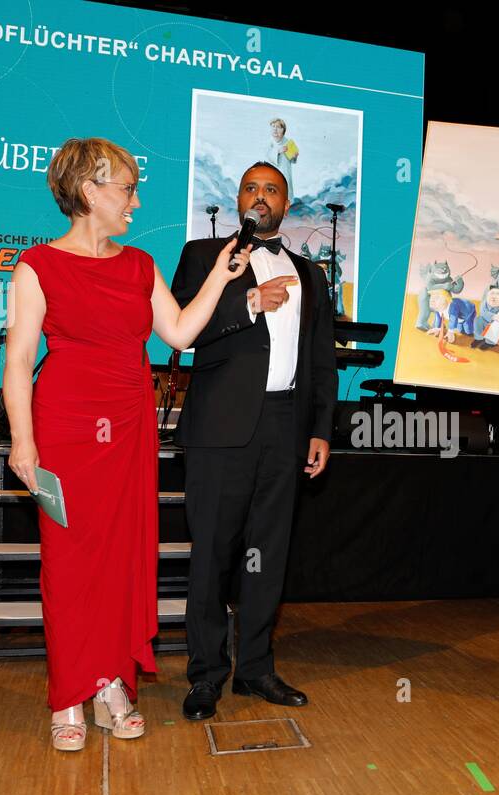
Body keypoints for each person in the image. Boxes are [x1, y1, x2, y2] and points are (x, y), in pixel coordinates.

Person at [4, 137, 250, 751]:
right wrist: (22, 446)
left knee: (121, 559)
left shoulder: (140, 265)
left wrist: (219, 277)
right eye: (127, 188)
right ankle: (69, 694)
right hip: (66, 427)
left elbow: (181, 334)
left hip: (130, 427)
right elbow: (17, 365)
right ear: (90, 191)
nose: (136, 200)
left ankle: (112, 680)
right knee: (68, 564)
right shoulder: (37, 266)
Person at [170, 161, 337, 721]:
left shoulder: (312, 275)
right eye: (251, 187)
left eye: (272, 189)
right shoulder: (202, 256)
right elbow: (183, 335)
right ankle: (205, 675)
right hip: (220, 427)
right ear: (237, 197)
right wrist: (248, 303)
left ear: (286, 205)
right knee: (212, 555)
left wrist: (319, 429)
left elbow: (320, 360)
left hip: (286, 425)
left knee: (269, 554)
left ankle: (257, 669)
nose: (260, 196)